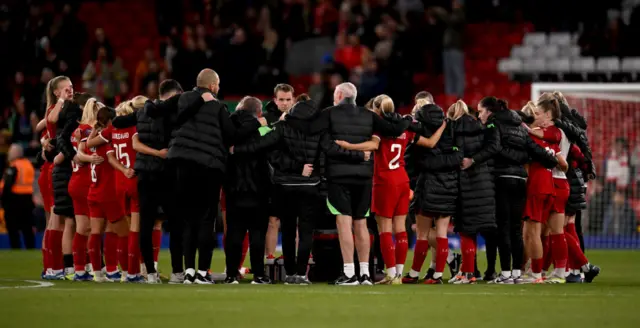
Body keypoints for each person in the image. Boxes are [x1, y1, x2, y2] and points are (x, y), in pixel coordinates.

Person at [167, 69, 266, 284]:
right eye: (218, 84)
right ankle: (203, 272)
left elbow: (172, 120)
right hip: (208, 167)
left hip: (182, 164)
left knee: (188, 220)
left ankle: (189, 271)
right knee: (206, 220)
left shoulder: (182, 100)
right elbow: (232, 135)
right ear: (212, 86)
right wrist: (257, 123)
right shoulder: (217, 106)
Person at [336, 95, 446, 284]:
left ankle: (391, 273)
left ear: (377, 109)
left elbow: (373, 145)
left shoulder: (379, 129)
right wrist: (443, 127)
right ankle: (399, 274)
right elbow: (429, 143)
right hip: (402, 180)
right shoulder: (405, 129)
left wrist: (349, 145)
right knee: (400, 229)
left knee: (385, 230)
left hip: (384, 181)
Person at [310, 82, 411, 285]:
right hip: (364, 178)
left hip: (339, 177)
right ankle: (365, 273)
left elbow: (313, 132)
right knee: (361, 223)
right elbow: (394, 129)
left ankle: (349, 273)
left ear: (338, 95)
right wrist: (405, 119)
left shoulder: (329, 114)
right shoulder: (369, 116)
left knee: (344, 224)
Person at [231, 94, 323, 285]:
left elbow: (266, 149)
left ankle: (290, 274)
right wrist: (315, 174)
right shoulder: (318, 130)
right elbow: (324, 157)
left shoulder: (282, 127)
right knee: (306, 232)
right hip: (310, 186)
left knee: (288, 230)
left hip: (285, 186)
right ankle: (301, 274)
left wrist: (237, 150)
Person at [110, 79, 193, 284]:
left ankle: (150, 273)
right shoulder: (174, 113)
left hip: (144, 174)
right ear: (175, 94)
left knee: (145, 225)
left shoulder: (143, 112)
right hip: (167, 174)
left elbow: (118, 122)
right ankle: (177, 272)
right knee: (175, 224)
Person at [476, 97, 557, 284]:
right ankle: (516, 273)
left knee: (503, 227)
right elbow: (534, 149)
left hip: (502, 179)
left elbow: (494, 149)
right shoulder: (520, 126)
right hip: (520, 180)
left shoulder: (494, 126)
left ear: (490, 112)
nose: (480, 115)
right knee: (515, 229)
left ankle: (505, 274)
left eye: (481, 111)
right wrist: (550, 161)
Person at [405, 100, 462, 284]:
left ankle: (414, 273)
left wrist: (431, 165)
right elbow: (458, 157)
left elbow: (415, 163)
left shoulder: (420, 137)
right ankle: (437, 275)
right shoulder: (452, 132)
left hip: (428, 187)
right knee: (442, 233)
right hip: (449, 186)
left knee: (422, 234)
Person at [445, 100, 500, 284]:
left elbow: (457, 157)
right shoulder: (481, 126)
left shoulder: (454, 129)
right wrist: (475, 160)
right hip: (484, 184)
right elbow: (492, 148)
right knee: (477, 230)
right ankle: (471, 272)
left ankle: (469, 273)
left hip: (466, 185)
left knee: (466, 230)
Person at [224, 96, 274, 285]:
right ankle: (259, 275)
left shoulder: (229, 128)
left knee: (234, 234)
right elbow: (269, 153)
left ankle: (231, 275)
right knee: (257, 234)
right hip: (258, 190)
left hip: (234, 190)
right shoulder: (262, 129)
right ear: (259, 113)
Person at [86, 106, 130, 282]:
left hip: (94, 192)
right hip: (109, 192)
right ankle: (127, 272)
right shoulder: (108, 139)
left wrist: (94, 131)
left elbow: (87, 144)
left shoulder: (95, 140)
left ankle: (98, 273)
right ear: (111, 121)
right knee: (125, 233)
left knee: (96, 232)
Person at [42, 75, 74, 280]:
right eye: (66, 88)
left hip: (55, 167)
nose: (70, 90)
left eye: (71, 87)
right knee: (56, 221)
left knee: (57, 221)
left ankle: (52, 267)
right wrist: (61, 100)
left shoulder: (63, 110)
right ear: (56, 92)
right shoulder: (56, 109)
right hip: (53, 169)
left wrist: (44, 139)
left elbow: (44, 127)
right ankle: (53, 267)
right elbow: (51, 121)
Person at [69, 98, 103, 281]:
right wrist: (91, 159)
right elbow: (80, 153)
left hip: (76, 181)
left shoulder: (78, 130)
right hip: (84, 182)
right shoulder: (88, 130)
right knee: (87, 228)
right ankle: (82, 268)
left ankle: (82, 268)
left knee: (83, 228)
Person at [262, 83, 295, 261]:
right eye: (281, 99)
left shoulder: (301, 119)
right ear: (275, 100)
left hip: (296, 176)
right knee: (273, 220)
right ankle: (269, 259)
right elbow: (261, 137)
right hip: (274, 176)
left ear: (293, 99)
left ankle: (295, 261)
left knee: (294, 221)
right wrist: (278, 124)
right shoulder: (266, 119)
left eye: (288, 99)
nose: (285, 103)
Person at [0, 144, 35, 249]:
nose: (9, 153)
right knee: (27, 227)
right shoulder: (28, 164)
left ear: (15, 153)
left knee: (12, 227)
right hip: (28, 198)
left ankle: (15, 247)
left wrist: (3, 199)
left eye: (11, 151)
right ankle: (30, 248)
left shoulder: (14, 166)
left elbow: (7, 185)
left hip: (14, 200)